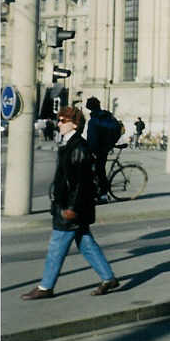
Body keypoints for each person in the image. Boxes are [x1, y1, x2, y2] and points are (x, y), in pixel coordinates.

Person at [21, 106, 120, 300]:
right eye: (58, 120)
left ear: (74, 124)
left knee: (56, 247)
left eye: (63, 120)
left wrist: (71, 208)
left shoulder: (79, 148)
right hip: (68, 206)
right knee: (86, 244)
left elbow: (81, 184)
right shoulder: (68, 144)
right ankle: (108, 278)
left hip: (71, 208)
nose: (58, 123)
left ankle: (46, 286)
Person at [85, 97, 114, 199]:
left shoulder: (95, 119)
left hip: (98, 149)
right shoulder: (105, 115)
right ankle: (99, 191)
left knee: (99, 171)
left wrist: (90, 149)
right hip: (104, 148)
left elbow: (93, 137)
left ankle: (104, 195)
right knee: (98, 170)